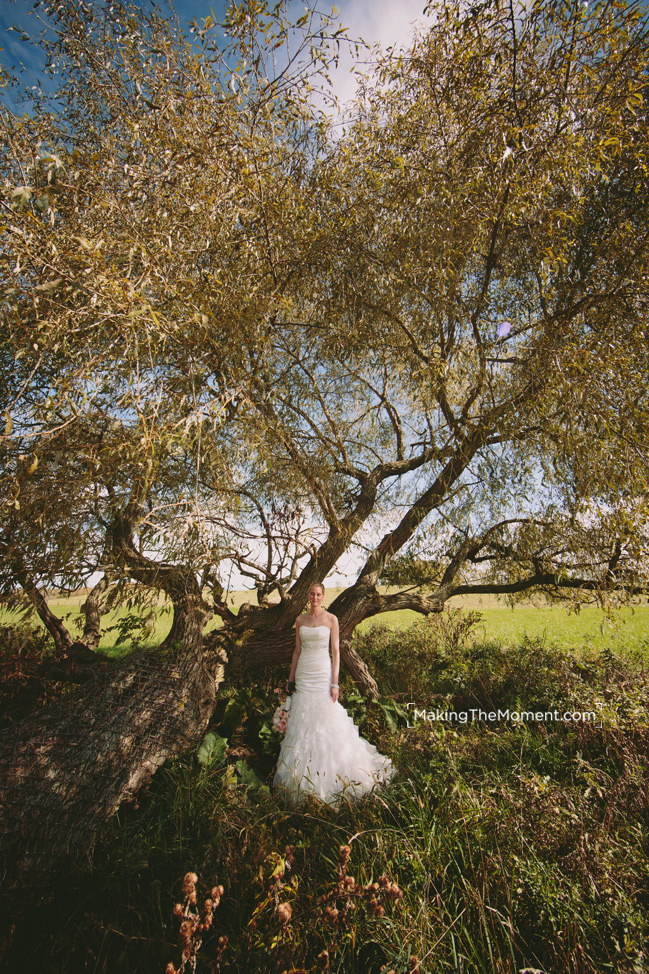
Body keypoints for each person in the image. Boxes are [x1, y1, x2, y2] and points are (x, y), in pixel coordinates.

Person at [273, 582, 394, 807]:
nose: (315, 597)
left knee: (326, 715)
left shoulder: (332, 619)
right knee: (302, 718)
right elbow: (297, 651)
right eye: (312, 594)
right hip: (304, 672)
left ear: (323, 596)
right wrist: (291, 680)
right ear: (308, 596)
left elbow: (336, 651)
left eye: (319, 594)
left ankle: (333, 772)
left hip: (322, 671)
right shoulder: (300, 620)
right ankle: (301, 777)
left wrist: (335, 683)